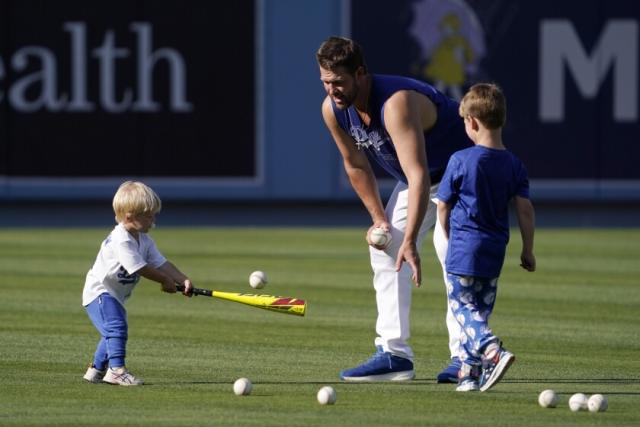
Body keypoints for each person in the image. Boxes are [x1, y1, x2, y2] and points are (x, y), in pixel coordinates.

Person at [316, 36, 472, 381]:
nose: (333, 90)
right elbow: (355, 165)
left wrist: (411, 240)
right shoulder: (334, 111)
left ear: (360, 73)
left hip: (462, 174)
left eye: (339, 82)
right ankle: (394, 355)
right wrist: (380, 220)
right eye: (326, 82)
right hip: (420, 179)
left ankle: (467, 358)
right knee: (385, 251)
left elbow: (417, 176)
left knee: (452, 257)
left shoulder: (395, 103)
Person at [436, 83, 536, 392]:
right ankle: (469, 374)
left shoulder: (461, 160)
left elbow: (442, 206)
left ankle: (492, 349)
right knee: (480, 307)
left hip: (465, 247)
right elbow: (525, 211)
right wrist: (527, 250)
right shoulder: (515, 165)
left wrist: (449, 236)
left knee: (463, 308)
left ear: (473, 122)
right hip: (495, 249)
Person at [82, 181, 194, 386]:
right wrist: (165, 281)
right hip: (100, 292)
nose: (153, 220)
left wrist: (181, 279)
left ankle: (96, 370)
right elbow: (138, 267)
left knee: (112, 330)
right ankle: (116, 371)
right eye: (148, 216)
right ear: (129, 216)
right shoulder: (121, 240)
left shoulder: (144, 240)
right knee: (116, 327)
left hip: (114, 294)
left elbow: (161, 263)